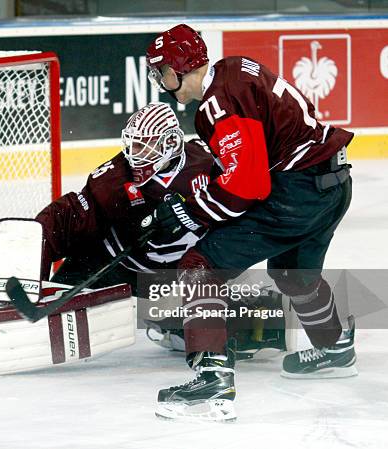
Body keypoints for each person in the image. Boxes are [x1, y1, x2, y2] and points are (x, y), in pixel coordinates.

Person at [145, 24, 356, 421]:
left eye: (161, 71)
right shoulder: (233, 70)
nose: (160, 80)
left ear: (178, 67)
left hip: (300, 192)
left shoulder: (218, 102)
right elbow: (251, 162)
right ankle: (335, 347)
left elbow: (248, 185)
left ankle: (213, 383)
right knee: (294, 274)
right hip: (333, 182)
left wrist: (189, 212)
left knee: (199, 267)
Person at [36, 101, 216, 289]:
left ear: (170, 143)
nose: (132, 154)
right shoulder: (113, 179)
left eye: (142, 145)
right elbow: (70, 218)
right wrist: (41, 233)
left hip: (173, 275)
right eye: (131, 145)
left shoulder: (206, 161)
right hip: (110, 266)